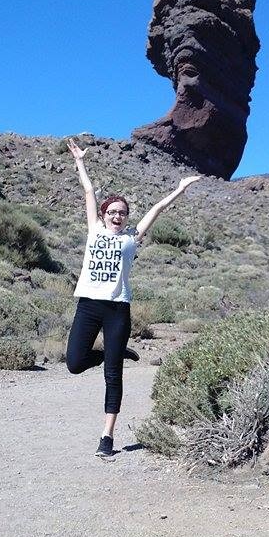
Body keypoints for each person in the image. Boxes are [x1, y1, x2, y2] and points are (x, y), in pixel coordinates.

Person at [65, 137, 200, 459]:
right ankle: (117, 351)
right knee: (74, 363)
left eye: (122, 213)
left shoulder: (132, 238)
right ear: (103, 214)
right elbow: (88, 191)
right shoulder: (94, 230)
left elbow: (158, 208)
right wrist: (80, 161)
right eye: (112, 211)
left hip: (117, 310)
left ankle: (106, 436)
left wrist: (180, 188)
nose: (117, 216)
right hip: (88, 305)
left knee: (113, 375)